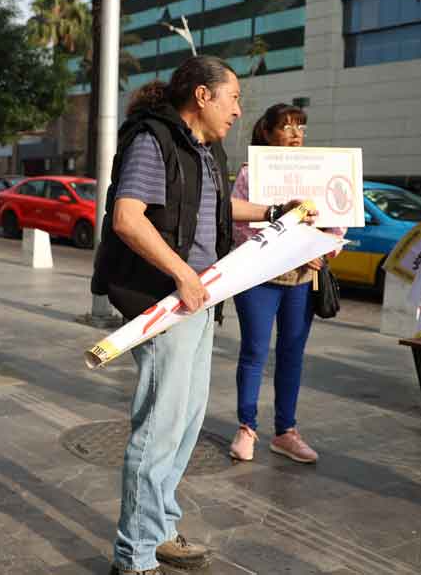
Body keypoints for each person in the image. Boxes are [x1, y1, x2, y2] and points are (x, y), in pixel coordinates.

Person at [92, 57, 312, 575]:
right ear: (202, 96)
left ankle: (160, 529)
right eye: (233, 97)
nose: (240, 109)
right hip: (164, 302)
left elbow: (213, 211)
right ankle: (135, 556)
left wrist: (275, 213)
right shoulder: (154, 139)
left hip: (199, 301)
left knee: (186, 423)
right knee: (158, 429)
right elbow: (127, 218)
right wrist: (183, 276)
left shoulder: (204, 150)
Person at [227, 104, 345, 464]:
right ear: (267, 132)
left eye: (301, 127)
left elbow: (338, 221)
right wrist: (294, 248)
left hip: (303, 280)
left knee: (292, 354)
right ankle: (246, 426)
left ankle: (286, 432)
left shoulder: (319, 171)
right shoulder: (251, 173)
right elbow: (241, 225)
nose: (296, 134)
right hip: (259, 277)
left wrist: (325, 248)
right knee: (255, 351)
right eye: (287, 126)